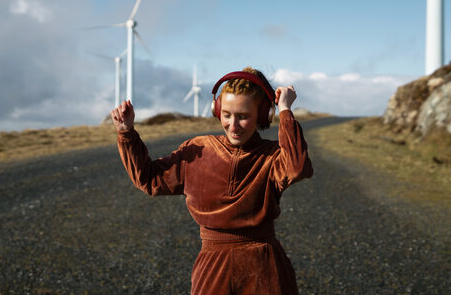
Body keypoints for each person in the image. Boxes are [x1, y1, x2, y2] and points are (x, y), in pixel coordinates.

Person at [111, 67, 313, 295]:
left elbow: (297, 167)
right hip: (212, 266)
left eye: (243, 116)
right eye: (227, 114)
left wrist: (285, 110)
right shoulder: (197, 150)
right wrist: (126, 134)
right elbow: (149, 179)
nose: (233, 125)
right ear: (217, 110)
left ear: (263, 113)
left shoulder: (273, 156)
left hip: (264, 266)